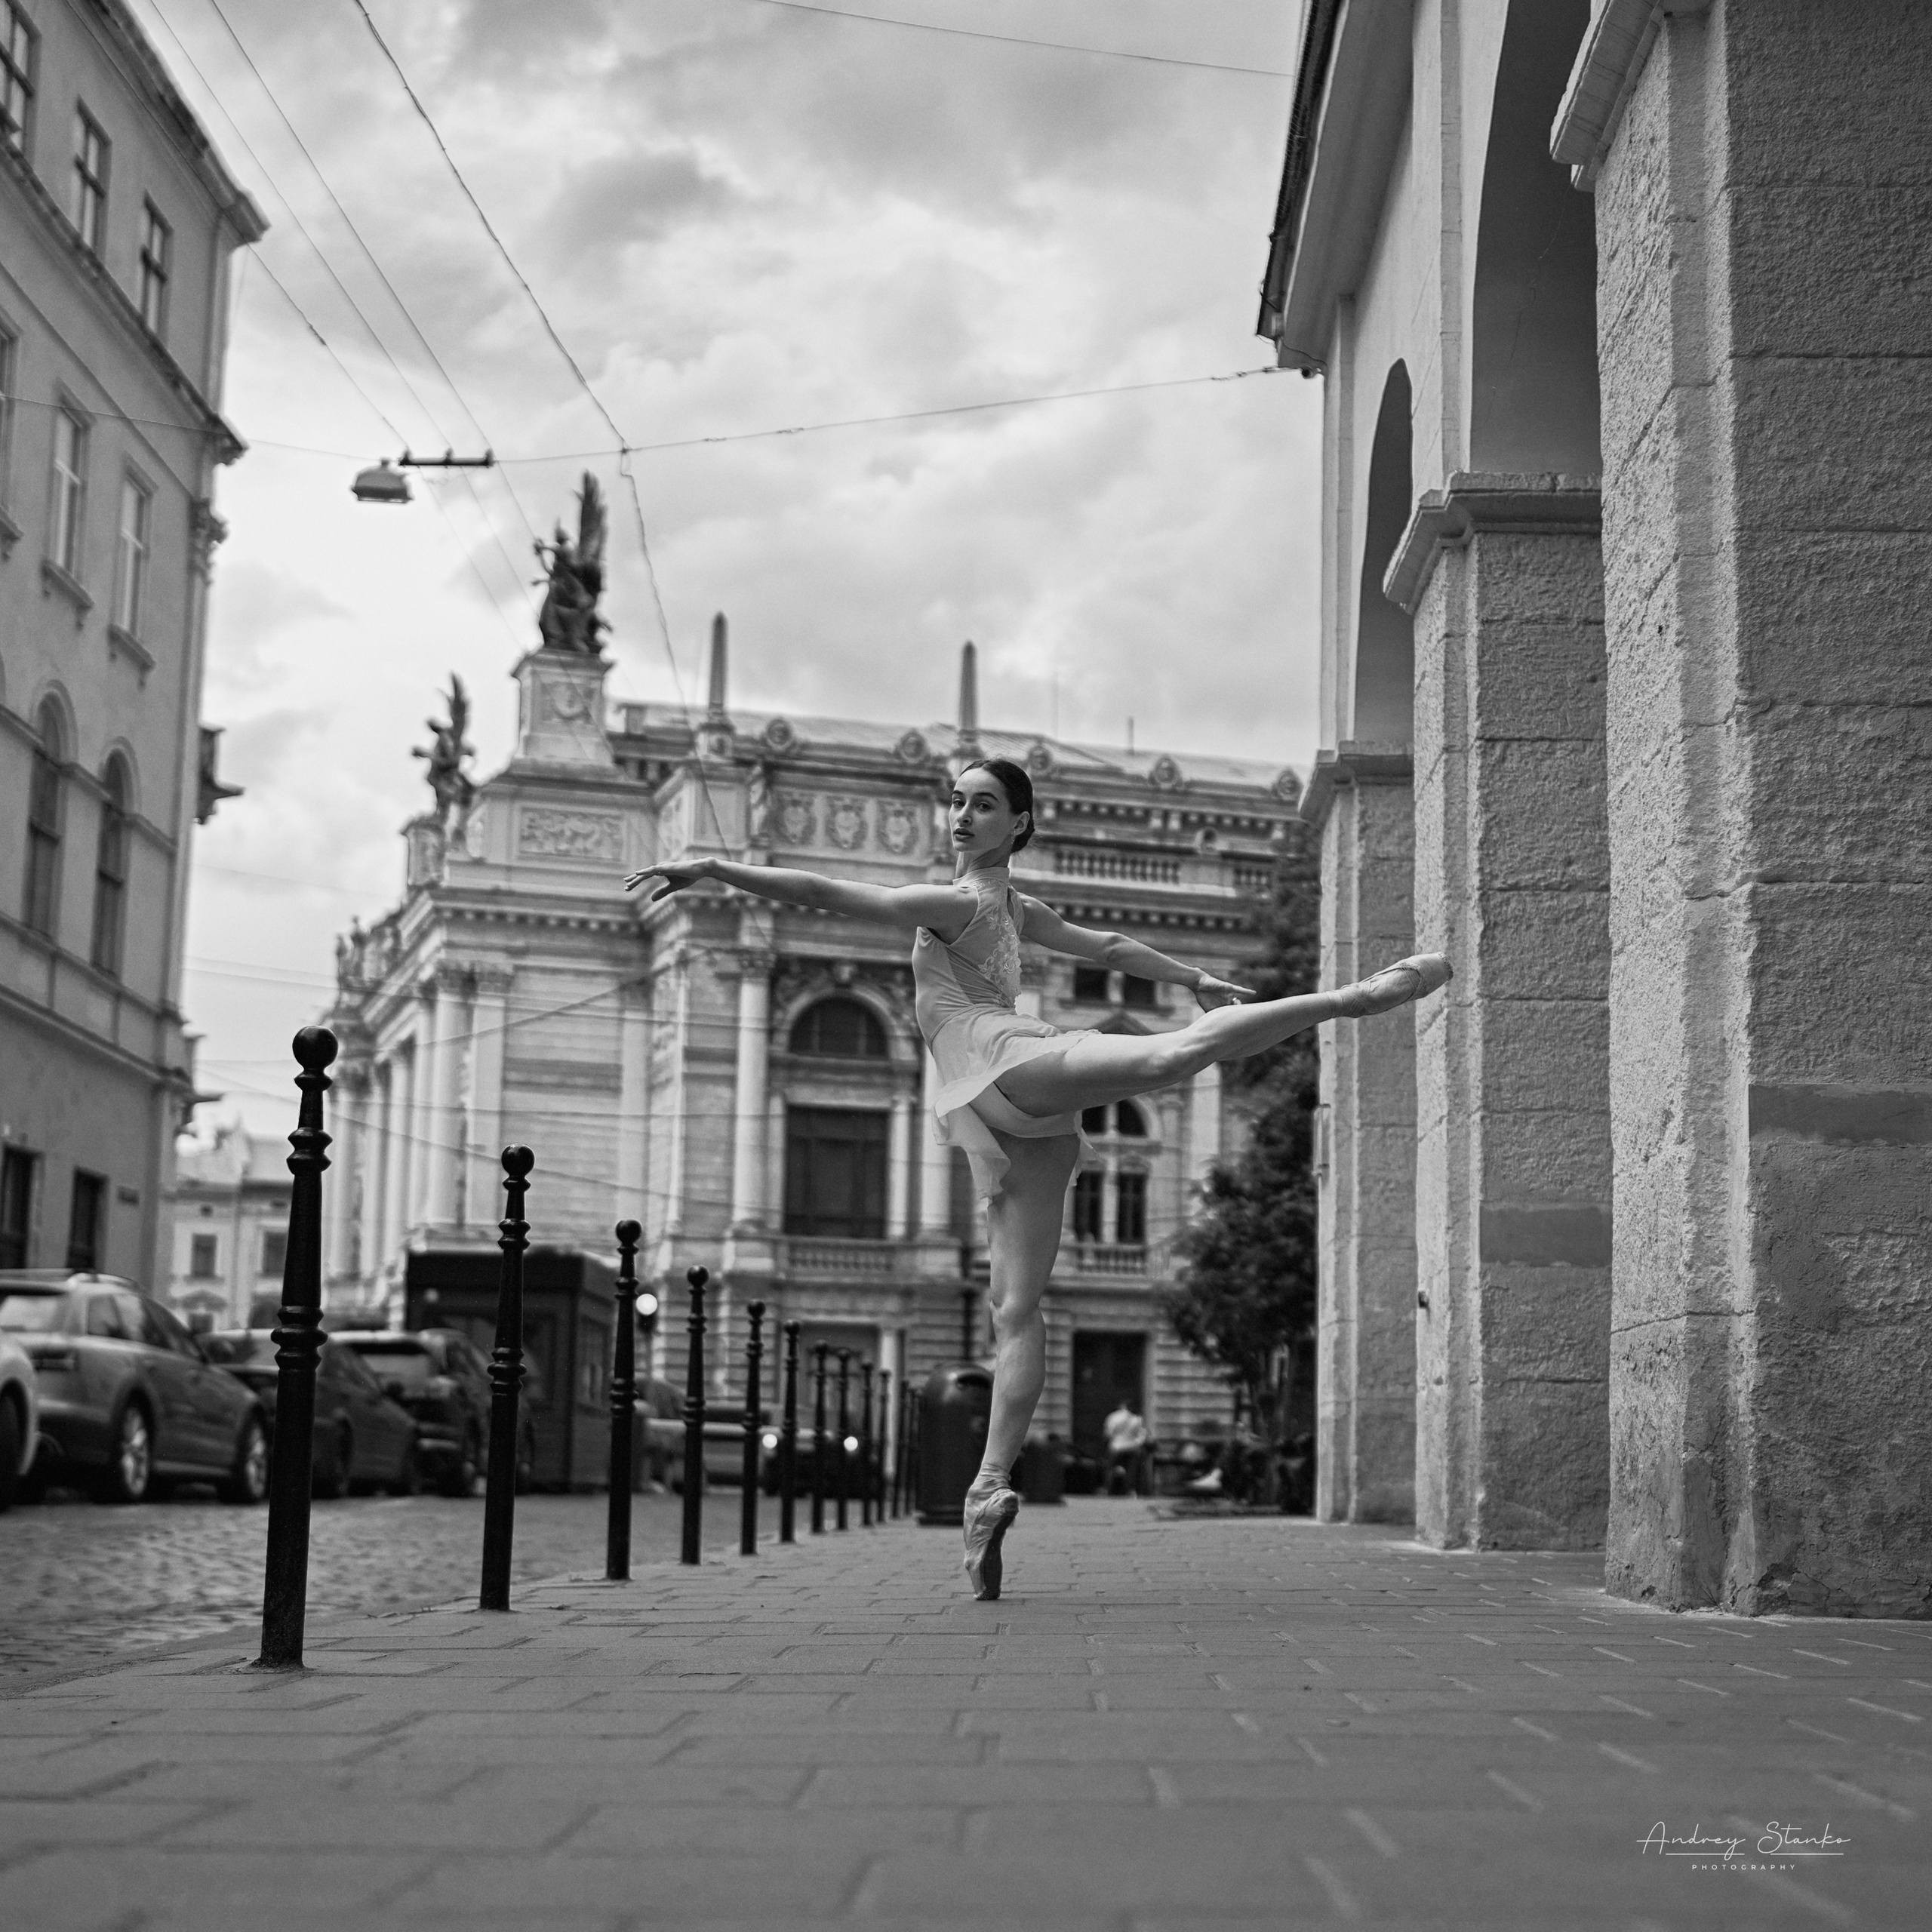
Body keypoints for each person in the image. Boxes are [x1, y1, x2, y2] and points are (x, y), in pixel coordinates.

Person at [624, 755, 1448, 1601]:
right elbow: (1111, 945)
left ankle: (1353, 998)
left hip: (1002, 1061)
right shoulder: (1016, 907)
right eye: (956, 801)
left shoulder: (961, 904)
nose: (961, 816)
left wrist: (714, 866)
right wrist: (1191, 975)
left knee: (1172, 1054)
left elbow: (832, 894)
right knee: (1017, 1311)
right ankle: (986, 1488)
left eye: (982, 805)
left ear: (1019, 822)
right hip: (1024, 1118)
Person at [1103, 1398, 1152, 1497]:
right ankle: (1130, 1490)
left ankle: (1109, 1489)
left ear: (1121, 1406)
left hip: (1116, 1447)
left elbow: (1108, 1434)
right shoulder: (1137, 1419)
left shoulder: (1113, 1417)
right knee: (1131, 1470)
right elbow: (1142, 1435)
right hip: (1132, 1448)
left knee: (1111, 1469)